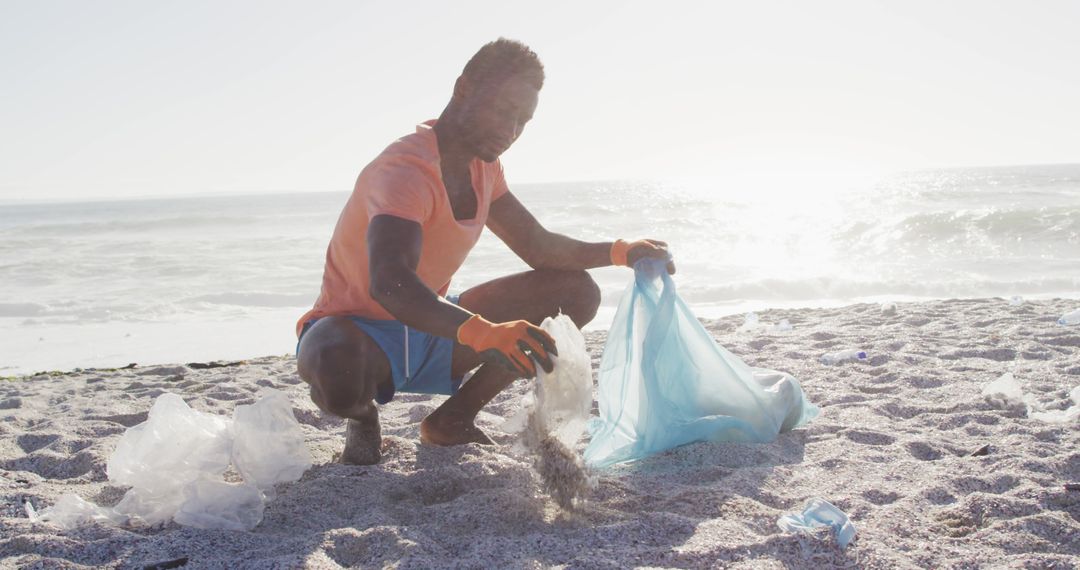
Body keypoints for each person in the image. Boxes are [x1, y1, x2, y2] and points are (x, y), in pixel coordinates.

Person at [296, 38, 674, 465]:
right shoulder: (405, 171)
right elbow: (391, 284)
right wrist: (483, 332)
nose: (509, 132)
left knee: (577, 292)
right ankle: (364, 418)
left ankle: (452, 420)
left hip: (431, 328)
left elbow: (538, 246)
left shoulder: (485, 167)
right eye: (502, 110)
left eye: (522, 121)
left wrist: (622, 251)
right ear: (463, 89)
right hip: (356, 332)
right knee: (337, 370)